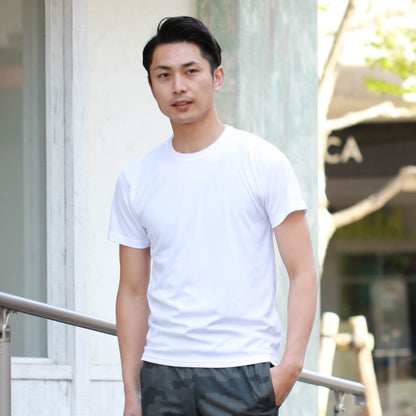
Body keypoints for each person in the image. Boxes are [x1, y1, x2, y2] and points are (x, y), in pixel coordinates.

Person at [108, 16, 318, 416]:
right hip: (162, 372)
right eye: (164, 75)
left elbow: (303, 271)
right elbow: (132, 291)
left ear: (216, 77)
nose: (178, 86)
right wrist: (132, 393)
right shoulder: (135, 179)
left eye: (191, 71)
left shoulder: (262, 161)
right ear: (151, 86)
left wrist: (289, 368)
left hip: (243, 370)